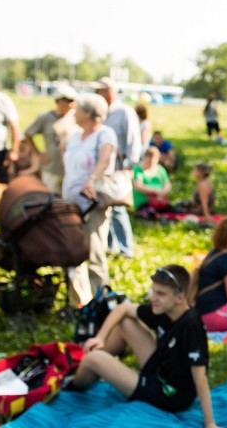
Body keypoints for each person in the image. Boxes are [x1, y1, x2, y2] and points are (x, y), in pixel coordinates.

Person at [71, 264, 227, 428]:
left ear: (180, 297)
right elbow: (123, 308)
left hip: (168, 396)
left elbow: (200, 377)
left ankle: (71, 382)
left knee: (93, 359)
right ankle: (92, 361)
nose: (153, 298)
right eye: (153, 291)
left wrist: (210, 423)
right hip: (160, 369)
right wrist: (100, 338)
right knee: (126, 323)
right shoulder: (165, 309)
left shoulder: (191, 326)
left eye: (160, 294)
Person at [63, 93, 117, 304]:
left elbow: (104, 159)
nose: (74, 114)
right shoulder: (75, 136)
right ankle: (78, 301)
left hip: (92, 204)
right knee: (71, 251)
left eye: (77, 110)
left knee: (94, 252)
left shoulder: (105, 134)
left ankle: (101, 302)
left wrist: (92, 178)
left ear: (87, 113)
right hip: (71, 203)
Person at [92, 77, 141, 259]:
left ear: (109, 91)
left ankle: (126, 249)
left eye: (100, 90)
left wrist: (129, 167)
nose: (97, 94)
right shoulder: (99, 112)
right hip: (101, 168)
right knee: (105, 207)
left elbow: (133, 142)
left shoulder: (124, 112)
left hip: (118, 168)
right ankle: (111, 247)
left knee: (118, 208)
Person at [23, 84, 79, 194]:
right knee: (51, 199)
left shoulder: (76, 117)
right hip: (51, 168)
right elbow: (28, 134)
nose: (71, 104)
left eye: (72, 100)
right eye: (67, 100)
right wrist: (38, 154)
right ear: (58, 101)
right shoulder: (46, 118)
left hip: (71, 170)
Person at [132, 146, 172, 214]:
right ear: (145, 157)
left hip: (160, 201)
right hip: (144, 202)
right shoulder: (138, 170)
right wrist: (156, 191)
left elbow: (167, 184)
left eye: (154, 158)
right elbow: (138, 186)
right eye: (149, 157)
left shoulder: (160, 169)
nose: (151, 160)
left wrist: (161, 194)